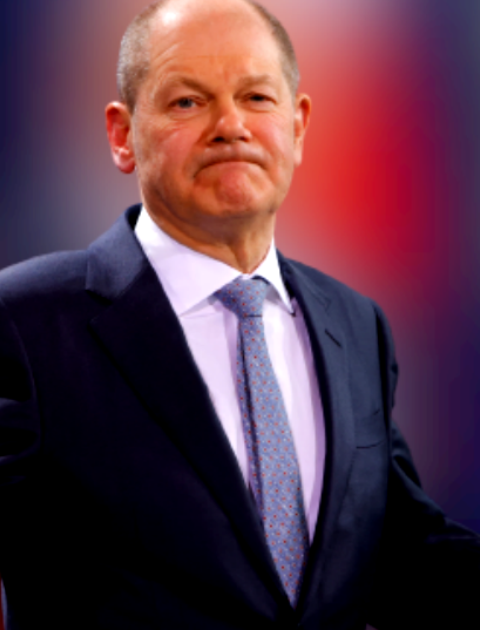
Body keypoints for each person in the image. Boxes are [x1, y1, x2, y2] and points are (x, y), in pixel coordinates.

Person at [0, 0, 479, 628]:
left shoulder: (356, 324)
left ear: (298, 126)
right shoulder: (25, 323)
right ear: (122, 135)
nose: (230, 125)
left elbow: (402, 549)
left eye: (256, 97)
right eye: (187, 102)